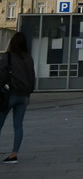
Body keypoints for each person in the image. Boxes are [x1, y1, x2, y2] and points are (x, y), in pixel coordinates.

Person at [0, 31, 35, 164]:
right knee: (18, 125)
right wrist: (29, 93)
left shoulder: (8, 57)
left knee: (0, 123)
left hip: (9, 95)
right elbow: (32, 77)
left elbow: (1, 74)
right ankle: (14, 154)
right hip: (24, 96)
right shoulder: (28, 57)